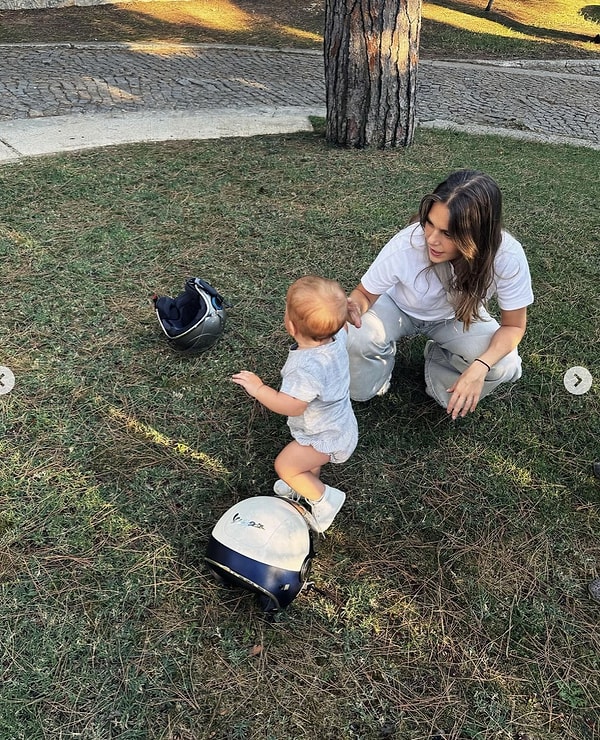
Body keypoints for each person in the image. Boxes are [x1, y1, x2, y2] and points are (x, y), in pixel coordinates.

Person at [346, 169, 534, 420]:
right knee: (357, 336)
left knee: (504, 364)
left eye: (447, 233)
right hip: (398, 307)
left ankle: (441, 378)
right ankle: (373, 380)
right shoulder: (407, 243)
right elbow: (364, 295)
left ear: (478, 235)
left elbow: (513, 326)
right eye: (429, 223)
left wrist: (480, 367)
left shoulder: (507, 256)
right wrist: (353, 308)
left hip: (455, 316)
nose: (432, 239)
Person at [232, 275, 358, 533]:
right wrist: (343, 311)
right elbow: (342, 325)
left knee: (285, 466)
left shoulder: (304, 368)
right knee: (305, 464)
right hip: (339, 424)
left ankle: (325, 499)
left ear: (290, 325)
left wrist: (259, 389)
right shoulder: (337, 337)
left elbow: (292, 406)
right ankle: (303, 484)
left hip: (325, 433)